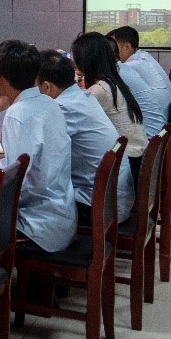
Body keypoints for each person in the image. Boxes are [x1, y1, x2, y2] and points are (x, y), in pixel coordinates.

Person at [0, 40, 76, 253]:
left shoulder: (17, 115)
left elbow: (12, 182)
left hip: (39, 227)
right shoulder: (50, 103)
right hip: (62, 217)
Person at [37, 51, 133, 223]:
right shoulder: (83, 97)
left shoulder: (63, 108)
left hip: (99, 207)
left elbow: (38, 157)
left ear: (46, 87)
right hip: (114, 200)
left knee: (23, 205)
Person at [72, 32, 148, 180]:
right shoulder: (112, 82)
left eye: (76, 56)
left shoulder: (100, 90)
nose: (73, 60)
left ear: (87, 59)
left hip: (127, 164)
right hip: (136, 158)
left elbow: (73, 117)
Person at [107, 26, 171, 113]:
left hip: (160, 113)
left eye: (113, 47)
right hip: (166, 110)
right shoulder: (144, 56)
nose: (110, 52)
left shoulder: (132, 66)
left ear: (127, 47)